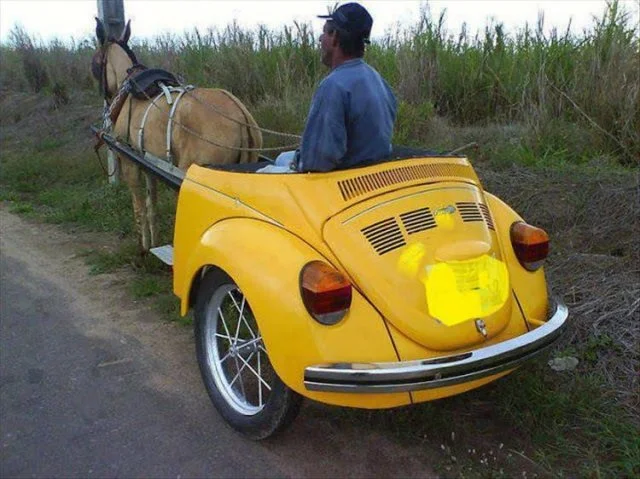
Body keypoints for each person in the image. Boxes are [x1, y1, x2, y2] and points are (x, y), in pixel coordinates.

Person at [296, 2, 398, 172]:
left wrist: (298, 160)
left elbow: (315, 163)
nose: (320, 39)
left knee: (279, 161)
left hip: (341, 179)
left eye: (324, 32)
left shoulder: (333, 86)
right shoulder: (380, 81)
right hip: (374, 175)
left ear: (335, 37)